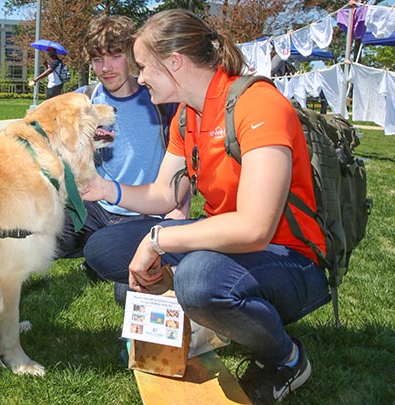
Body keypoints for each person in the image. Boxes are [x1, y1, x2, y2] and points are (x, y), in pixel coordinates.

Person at [81, 9, 329, 404]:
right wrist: (102, 188)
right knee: (104, 250)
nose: (139, 76)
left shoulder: (258, 104)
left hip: (291, 258)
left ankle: (286, 358)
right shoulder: (186, 117)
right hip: (228, 246)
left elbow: (254, 228)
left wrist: (159, 240)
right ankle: (198, 319)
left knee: (197, 280)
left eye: (144, 66)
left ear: (174, 62)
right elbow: (163, 194)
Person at [56, 15, 189, 305]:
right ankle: (93, 249)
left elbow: (187, 159)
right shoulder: (84, 99)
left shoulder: (160, 101)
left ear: (131, 55)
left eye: (115, 56)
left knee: (127, 294)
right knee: (43, 236)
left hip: (144, 211)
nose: (105, 68)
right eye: (97, 58)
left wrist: (181, 206)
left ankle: (101, 252)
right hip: (97, 205)